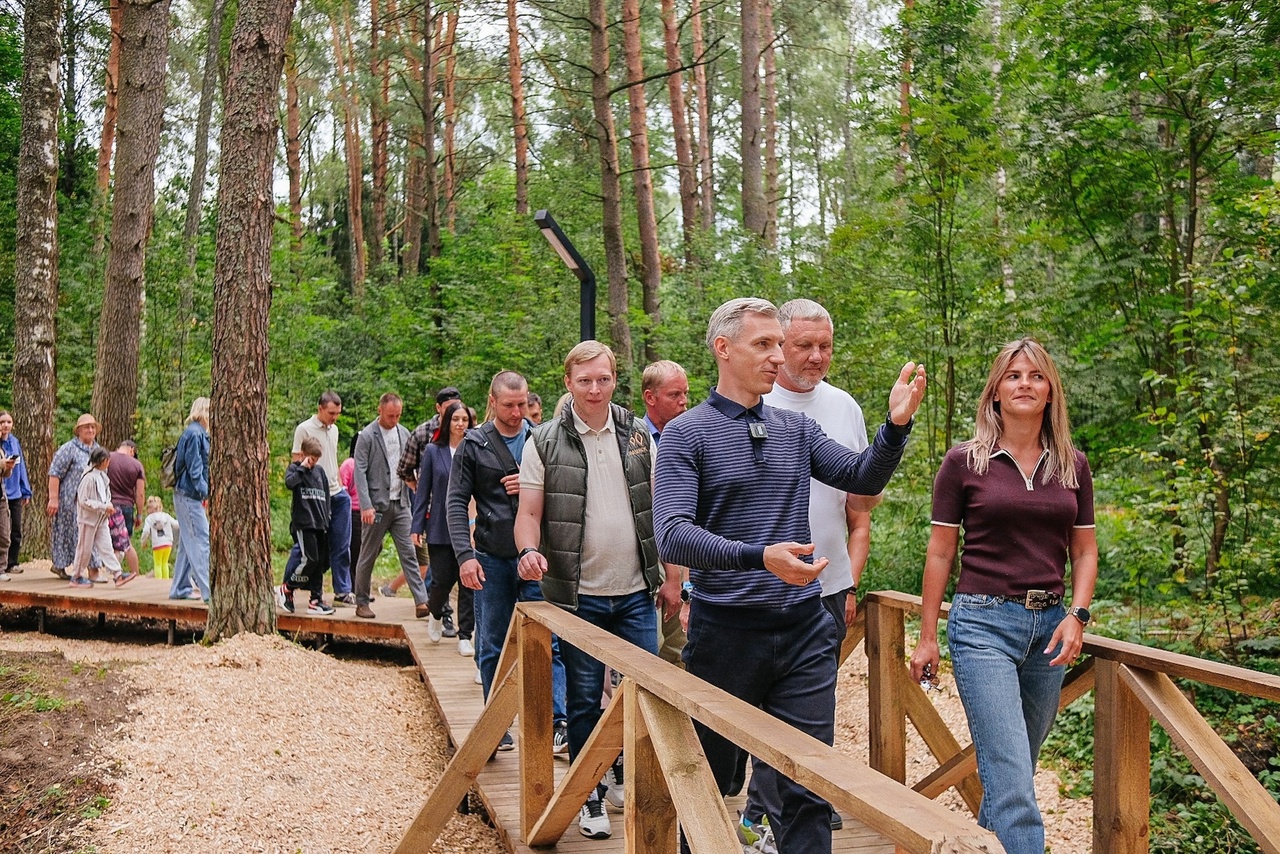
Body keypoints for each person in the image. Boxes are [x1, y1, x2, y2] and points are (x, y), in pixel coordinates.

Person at [653, 297, 925, 854]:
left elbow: (859, 478)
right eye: (764, 344)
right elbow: (673, 535)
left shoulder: (795, 429)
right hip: (726, 632)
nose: (778, 356)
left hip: (803, 630)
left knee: (807, 786)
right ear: (722, 349)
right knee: (712, 781)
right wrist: (760, 557)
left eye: (780, 343)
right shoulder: (688, 435)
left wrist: (895, 427)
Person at [909, 338, 1097, 854]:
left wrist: (1078, 615)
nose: (1024, 384)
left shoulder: (1071, 464)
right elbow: (941, 554)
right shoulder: (964, 462)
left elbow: (1084, 552)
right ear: (995, 391)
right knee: (1014, 779)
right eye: (1013, 376)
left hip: (1051, 631)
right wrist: (928, 638)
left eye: (1036, 376)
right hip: (982, 624)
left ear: (1050, 392)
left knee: (1011, 770)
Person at [515, 342, 668, 840]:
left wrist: (673, 579)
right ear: (569, 384)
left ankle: (631, 779)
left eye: (603, 379)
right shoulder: (543, 440)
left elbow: (663, 508)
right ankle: (589, 796)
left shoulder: (639, 433)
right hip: (578, 596)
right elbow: (530, 513)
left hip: (636, 590)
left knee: (642, 695)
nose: (595, 389)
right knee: (583, 700)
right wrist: (527, 552)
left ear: (613, 378)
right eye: (585, 381)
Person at [756, 298, 877, 835]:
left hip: (827, 586)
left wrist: (849, 581)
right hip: (755, 585)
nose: (815, 356)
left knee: (813, 708)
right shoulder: (755, 402)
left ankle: (802, 804)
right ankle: (758, 810)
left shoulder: (845, 408)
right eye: (803, 345)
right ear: (779, 346)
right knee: (755, 712)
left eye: (824, 346)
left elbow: (860, 511)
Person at [447, 370, 567, 754]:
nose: (518, 413)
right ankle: (497, 723)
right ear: (493, 402)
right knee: (493, 643)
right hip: (492, 556)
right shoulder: (474, 444)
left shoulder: (543, 439)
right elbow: (454, 502)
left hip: (537, 557)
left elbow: (569, 491)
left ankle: (558, 721)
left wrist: (535, 485)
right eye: (510, 405)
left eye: (523, 404)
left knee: (550, 643)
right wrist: (465, 557)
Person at [352, 393, 431, 619]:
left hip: (401, 503)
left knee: (409, 553)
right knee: (367, 555)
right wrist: (365, 505)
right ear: (380, 411)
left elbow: (410, 465)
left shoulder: (405, 433)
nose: (394, 420)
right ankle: (362, 602)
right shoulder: (367, 436)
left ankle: (421, 601)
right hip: (376, 506)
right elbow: (360, 471)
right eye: (390, 416)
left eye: (397, 415)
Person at [411, 401, 475, 654]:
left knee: (469, 583)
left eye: (465, 420)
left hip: (469, 528)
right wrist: (417, 525)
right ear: (446, 422)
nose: (460, 424)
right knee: (441, 582)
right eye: (456, 419)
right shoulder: (433, 451)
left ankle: (465, 636)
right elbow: (422, 490)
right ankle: (436, 613)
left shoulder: (474, 449)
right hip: (439, 526)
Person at [639, 360, 691, 669]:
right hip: (647, 562)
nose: (684, 401)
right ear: (650, 397)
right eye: (674, 395)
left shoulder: (692, 435)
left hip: (688, 558)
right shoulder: (633, 442)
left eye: (685, 393)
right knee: (649, 653)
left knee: (681, 651)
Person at [282, 392, 353, 606]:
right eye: (331, 413)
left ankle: (342, 590)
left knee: (341, 544)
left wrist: (342, 485)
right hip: (314, 496)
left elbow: (332, 458)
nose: (334, 418)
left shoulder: (335, 430)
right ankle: (288, 587)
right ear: (320, 408)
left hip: (336, 491)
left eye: (338, 414)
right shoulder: (304, 429)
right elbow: (296, 462)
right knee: (306, 546)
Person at [278, 437, 337, 615]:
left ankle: (316, 599)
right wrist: (303, 467)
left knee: (319, 563)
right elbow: (290, 483)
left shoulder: (320, 472)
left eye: (316, 460)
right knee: (309, 559)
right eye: (311, 459)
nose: (314, 463)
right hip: (304, 524)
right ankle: (287, 588)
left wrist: (327, 518)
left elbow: (326, 497)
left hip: (320, 524)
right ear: (303, 455)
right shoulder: (296, 469)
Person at [68, 447, 135, 588]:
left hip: (101, 519)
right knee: (84, 549)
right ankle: (77, 575)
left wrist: (108, 505)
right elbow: (83, 500)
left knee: (107, 547)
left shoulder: (103, 476)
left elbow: (106, 495)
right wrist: (102, 506)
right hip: (88, 520)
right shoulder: (88, 478)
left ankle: (117, 574)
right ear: (103, 461)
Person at [47, 414, 103, 579]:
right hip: (69, 500)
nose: (90, 430)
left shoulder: (98, 450)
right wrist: (53, 498)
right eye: (86, 427)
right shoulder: (69, 448)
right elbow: (55, 473)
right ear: (79, 431)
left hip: (92, 501)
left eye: (93, 427)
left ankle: (94, 569)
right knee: (67, 534)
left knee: (89, 534)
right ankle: (60, 565)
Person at [170, 397, 212, 602]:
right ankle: (209, 592)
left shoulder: (198, 434)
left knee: (188, 544)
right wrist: (207, 493)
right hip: (189, 495)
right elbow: (195, 471)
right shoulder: (195, 434)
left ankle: (180, 588)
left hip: (188, 494)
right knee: (201, 540)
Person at [107, 439, 145, 577]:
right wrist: (139, 515)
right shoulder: (137, 465)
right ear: (132, 450)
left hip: (108, 506)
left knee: (107, 541)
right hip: (127, 507)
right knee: (126, 543)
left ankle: (111, 573)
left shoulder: (107, 458)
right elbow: (140, 493)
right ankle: (135, 574)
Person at [0, 411, 32, 576]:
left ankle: (12, 562)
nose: (6, 425)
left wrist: (25, 490)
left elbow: (21, 468)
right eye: (2, 422)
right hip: (2, 493)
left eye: (9, 422)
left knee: (16, 529)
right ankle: (2, 564)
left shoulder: (14, 442)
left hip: (15, 492)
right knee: (2, 531)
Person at [339, 433, 363, 587]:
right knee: (355, 550)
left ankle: (359, 585)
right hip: (352, 512)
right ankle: (354, 586)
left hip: (367, 513)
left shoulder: (368, 463)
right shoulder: (349, 464)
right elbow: (343, 488)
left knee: (370, 549)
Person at [139, 496, 179, 579]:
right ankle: (166, 579)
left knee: (157, 564)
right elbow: (175, 525)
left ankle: (158, 581)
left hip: (157, 544)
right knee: (165, 563)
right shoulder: (166, 516)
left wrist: (143, 541)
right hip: (168, 543)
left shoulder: (149, 519)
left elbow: (146, 531)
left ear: (148, 509)